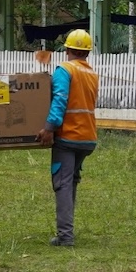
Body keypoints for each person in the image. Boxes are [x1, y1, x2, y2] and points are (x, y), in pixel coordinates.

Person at [37, 28, 100, 247]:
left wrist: (49, 128)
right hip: (88, 137)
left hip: (68, 136)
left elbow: (60, 99)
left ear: (67, 50)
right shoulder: (91, 73)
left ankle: (65, 236)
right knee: (71, 182)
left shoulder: (64, 70)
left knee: (62, 184)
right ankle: (66, 231)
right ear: (87, 53)